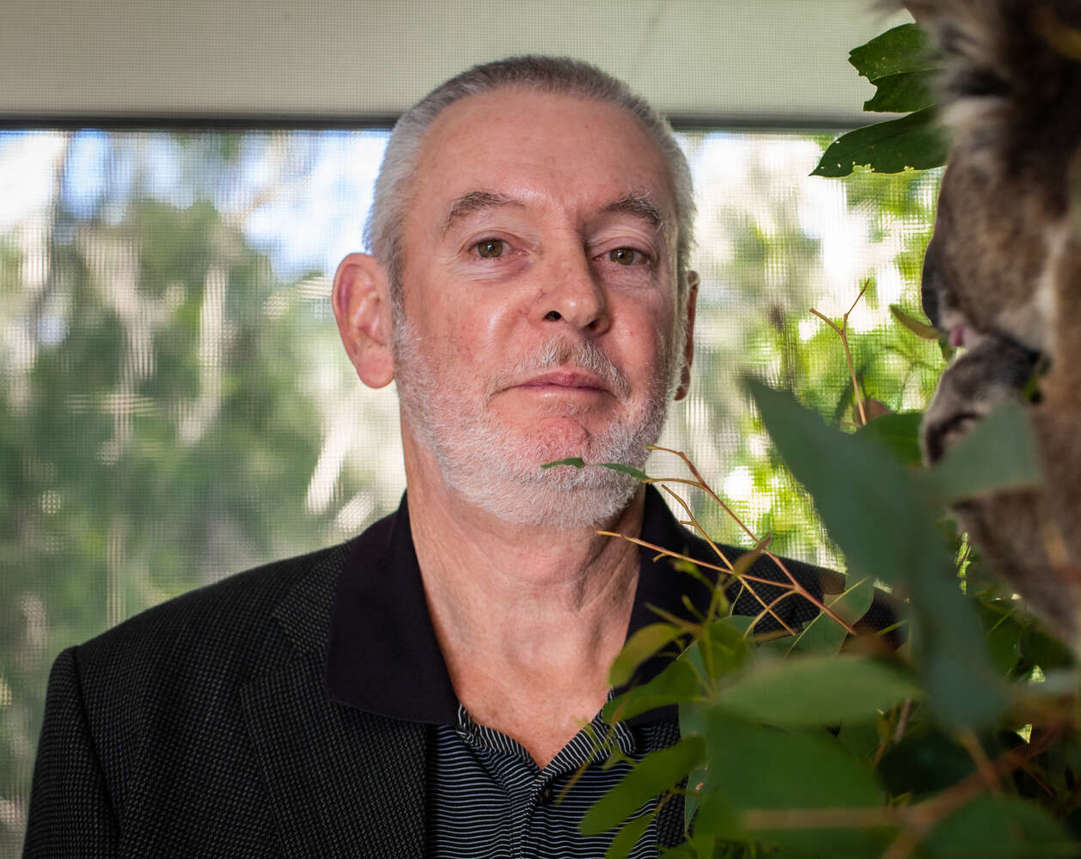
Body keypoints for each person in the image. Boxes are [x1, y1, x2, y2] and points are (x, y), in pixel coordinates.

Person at [23, 57, 868, 857]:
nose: (576, 297)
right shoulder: (134, 716)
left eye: (624, 253)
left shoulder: (877, 666)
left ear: (682, 339)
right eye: (495, 246)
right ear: (369, 322)